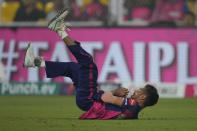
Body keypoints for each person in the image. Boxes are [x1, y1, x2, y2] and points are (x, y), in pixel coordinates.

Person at [23, 9, 159, 119]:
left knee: (88, 63)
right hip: (87, 101)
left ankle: (59, 29)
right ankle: (35, 62)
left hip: (88, 100)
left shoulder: (132, 103)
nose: (137, 90)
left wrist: (115, 93)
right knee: (74, 68)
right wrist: (116, 94)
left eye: (140, 90)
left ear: (143, 97)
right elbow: (115, 108)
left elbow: (106, 98)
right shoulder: (133, 109)